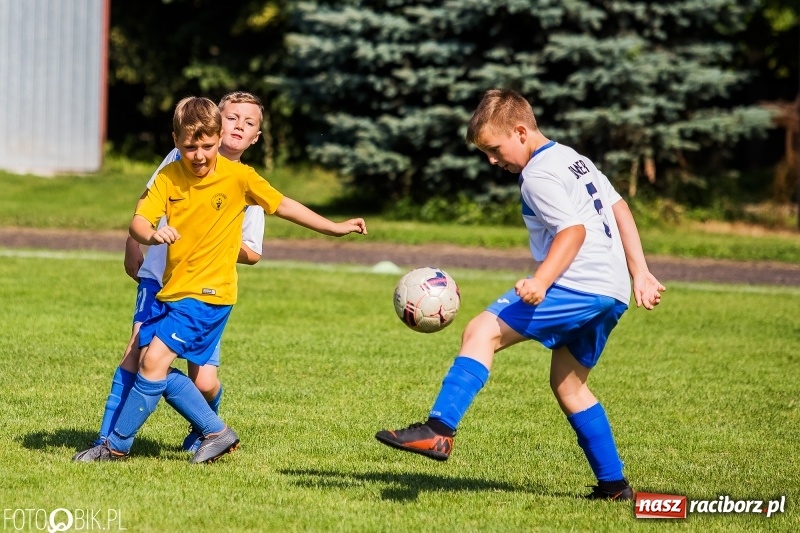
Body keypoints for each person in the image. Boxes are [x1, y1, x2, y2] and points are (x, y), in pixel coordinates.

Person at [375, 88, 665, 500]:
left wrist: (542, 281)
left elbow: (573, 231)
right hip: (611, 291)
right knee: (569, 385)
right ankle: (614, 486)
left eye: (495, 149)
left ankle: (438, 430)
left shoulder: (537, 175)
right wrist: (641, 272)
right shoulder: (573, 158)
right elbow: (618, 208)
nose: (493, 161)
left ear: (521, 130)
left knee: (481, 331)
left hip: (576, 282)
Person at [74, 96, 367, 463]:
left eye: (206, 147)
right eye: (189, 147)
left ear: (219, 137)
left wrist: (335, 227)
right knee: (148, 359)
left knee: (154, 362)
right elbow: (140, 217)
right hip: (172, 288)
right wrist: (147, 236)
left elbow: (285, 206)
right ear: (177, 141)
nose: (198, 155)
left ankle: (116, 447)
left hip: (207, 295)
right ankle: (210, 431)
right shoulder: (170, 173)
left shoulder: (240, 178)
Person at [94, 91, 266, 454]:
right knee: (139, 353)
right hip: (159, 277)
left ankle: (208, 429)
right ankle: (107, 442)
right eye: (232, 117)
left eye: (249, 123)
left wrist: (217, 236)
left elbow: (252, 252)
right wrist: (132, 241)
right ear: (216, 122)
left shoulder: (249, 186)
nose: (239, 126)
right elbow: (148, 201)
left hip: (206, 291)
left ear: (255, 138)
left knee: (204, 381)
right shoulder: (180, 156)